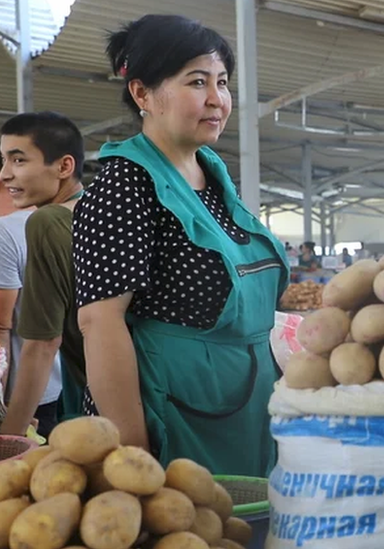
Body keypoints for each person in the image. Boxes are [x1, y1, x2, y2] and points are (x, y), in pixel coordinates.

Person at [72, 14, 288, 474]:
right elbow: (100, 323)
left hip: (245, 409)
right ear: (143, 94)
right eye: (197, 82)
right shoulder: (125, 185)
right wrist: (131, 452)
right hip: (168, 412)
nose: (217, 100)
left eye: (223, 82)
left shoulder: (213, 176)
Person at [0, 112, 87, 437]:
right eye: (4, 160)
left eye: (19, 160)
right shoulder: (99, 212)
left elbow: (43, 343)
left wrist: (10, 436)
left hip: (104, 391)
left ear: (64, 167)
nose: (6, 174)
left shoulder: (48, 221)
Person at [0, 208, 63, 438]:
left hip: (20, 398)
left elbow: (1, 329)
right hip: (53, 385)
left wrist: (7, 418)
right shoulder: (66, 216)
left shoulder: (5, 232)